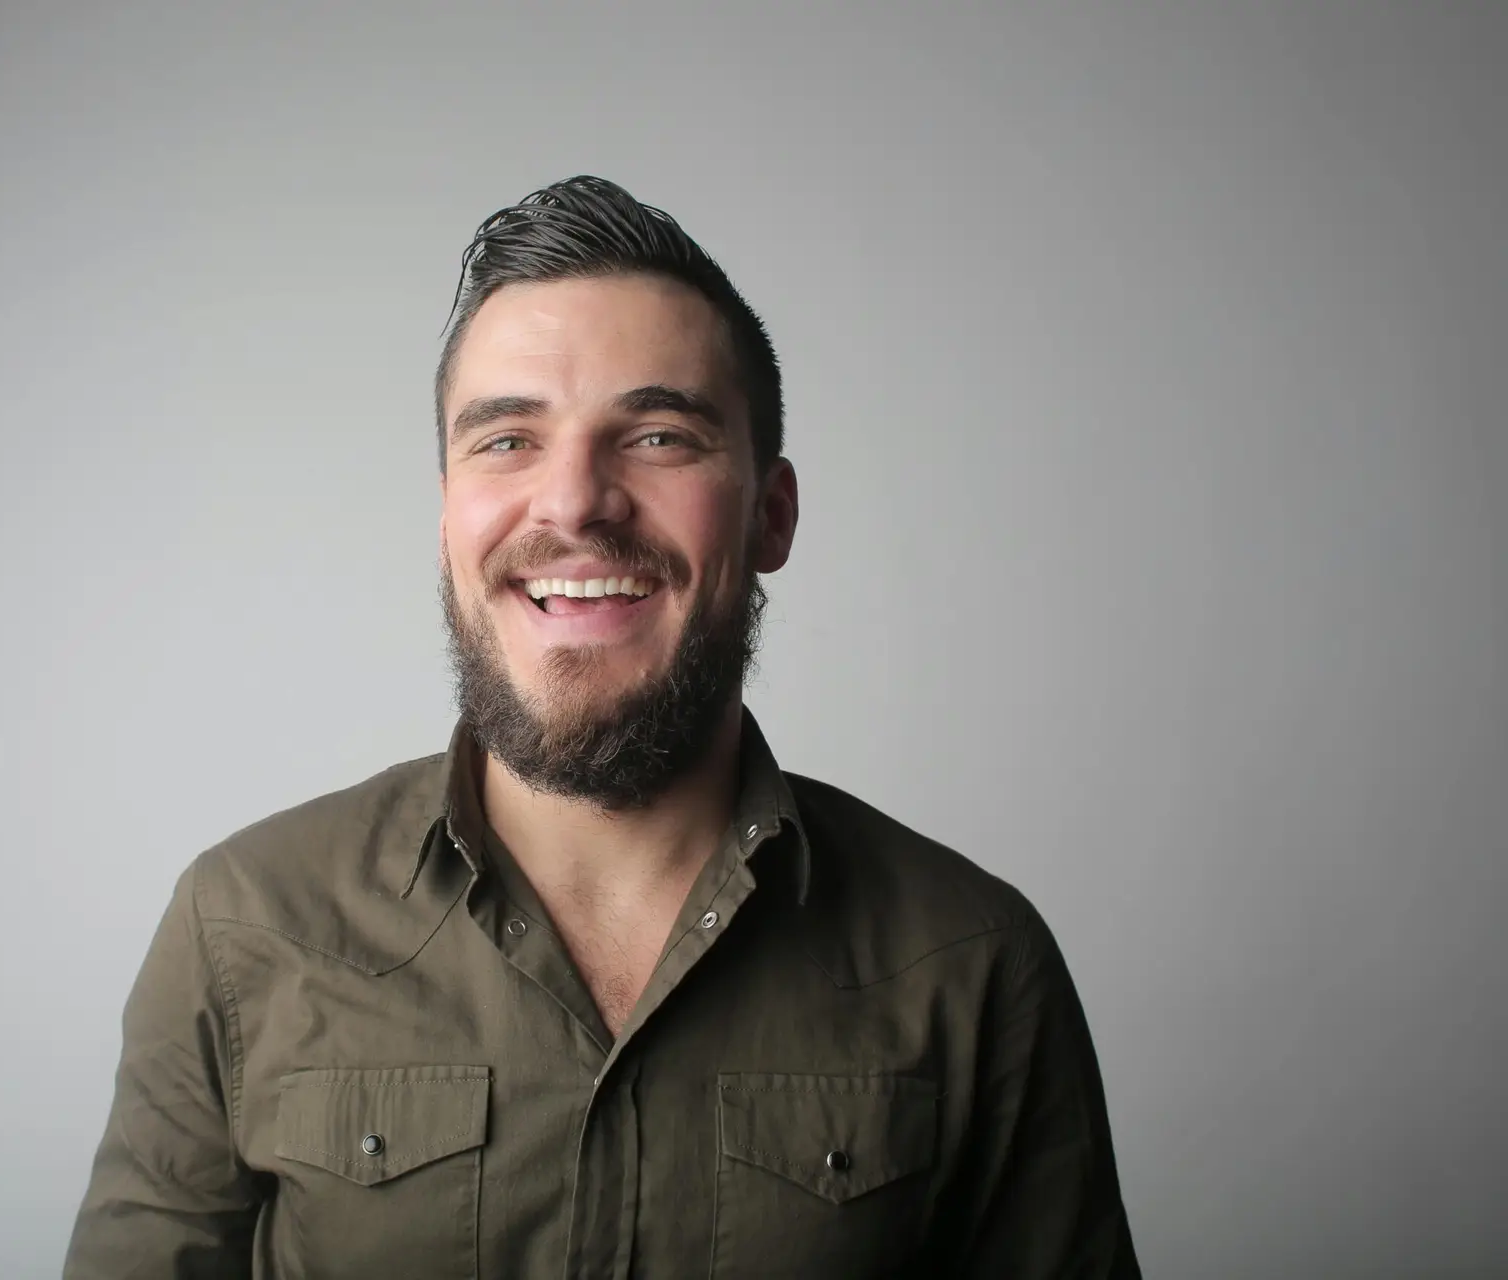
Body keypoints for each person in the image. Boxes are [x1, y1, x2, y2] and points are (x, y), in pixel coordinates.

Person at [63, 175, 1140, 1278]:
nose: (575, 500)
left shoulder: (971, 963)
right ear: (447, 516)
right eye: (507, 440)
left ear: (770, 515)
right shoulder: (243, 927)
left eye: (660, 435)